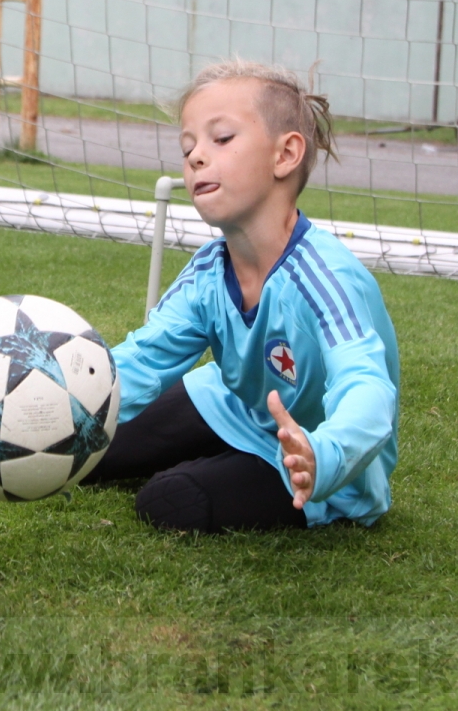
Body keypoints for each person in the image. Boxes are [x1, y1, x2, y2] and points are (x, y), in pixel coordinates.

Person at [84, 60, 400, 533]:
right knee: (89, 447)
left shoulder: (325, 276)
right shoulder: (208, 272)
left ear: (285, 154)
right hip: (233, 406)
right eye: (188, 146)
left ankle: (269, 471)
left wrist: (326, 453)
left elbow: (367, 387)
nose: (196, 157)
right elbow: (142, 359)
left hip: (315, 455)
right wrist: (58, 399)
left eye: (222, 138)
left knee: (169, 501)